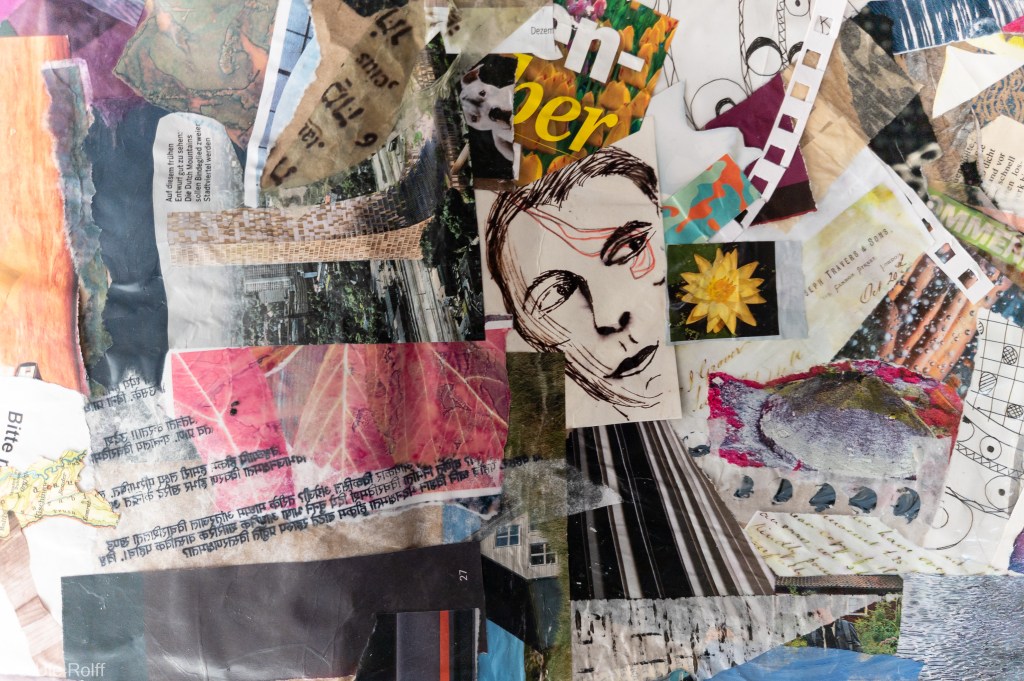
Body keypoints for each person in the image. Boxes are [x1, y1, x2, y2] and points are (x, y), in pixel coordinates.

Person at [485, 146, 673, 421]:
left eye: (631, 246)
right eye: (558, 292)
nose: (609, 319)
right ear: (530, 336)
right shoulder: (532, 429)